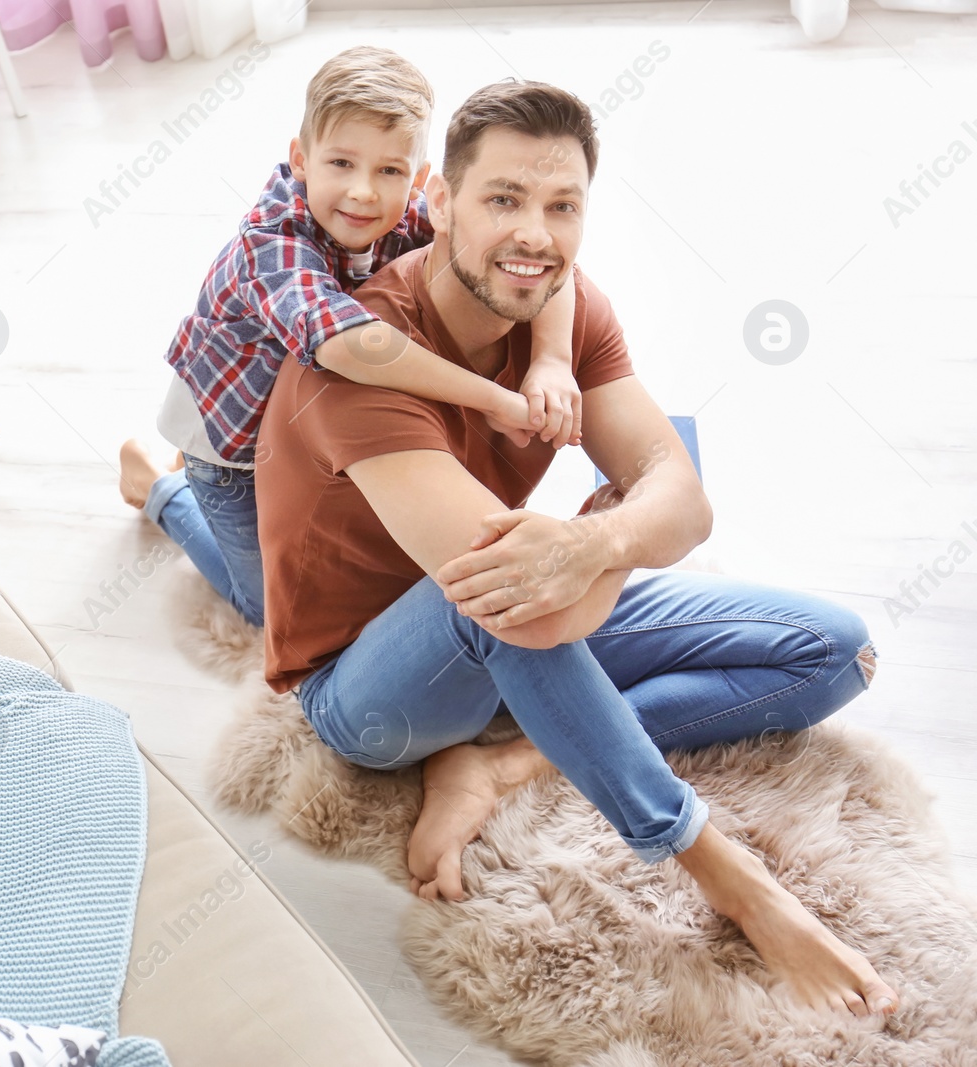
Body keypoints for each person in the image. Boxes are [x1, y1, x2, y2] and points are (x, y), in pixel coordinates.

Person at [255, 77, 899, 1019]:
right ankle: (733, 882)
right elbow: (545, 594)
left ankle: (508, 761)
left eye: (563, 207)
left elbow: (687, 503)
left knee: (835, 649)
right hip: (368, 689)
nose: (536, 235)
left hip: (512, 599)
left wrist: (594, 540)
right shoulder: (363, 363)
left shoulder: (564, 304)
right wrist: (612, 535)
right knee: (504, 597)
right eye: (504, 200)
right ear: (439, 202)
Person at [119, 45, 583, 626]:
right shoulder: (272, 243)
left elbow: (534, 257)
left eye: (388, 171)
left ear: (417, 180)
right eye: (341, 163)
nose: (364, 191)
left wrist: (552, 362)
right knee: (269, 607)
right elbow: (345, 343)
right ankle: (163, 492)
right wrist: (494, 398)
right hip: (233, 444)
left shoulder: (412, 212)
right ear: (301, 159)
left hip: (311, 434)